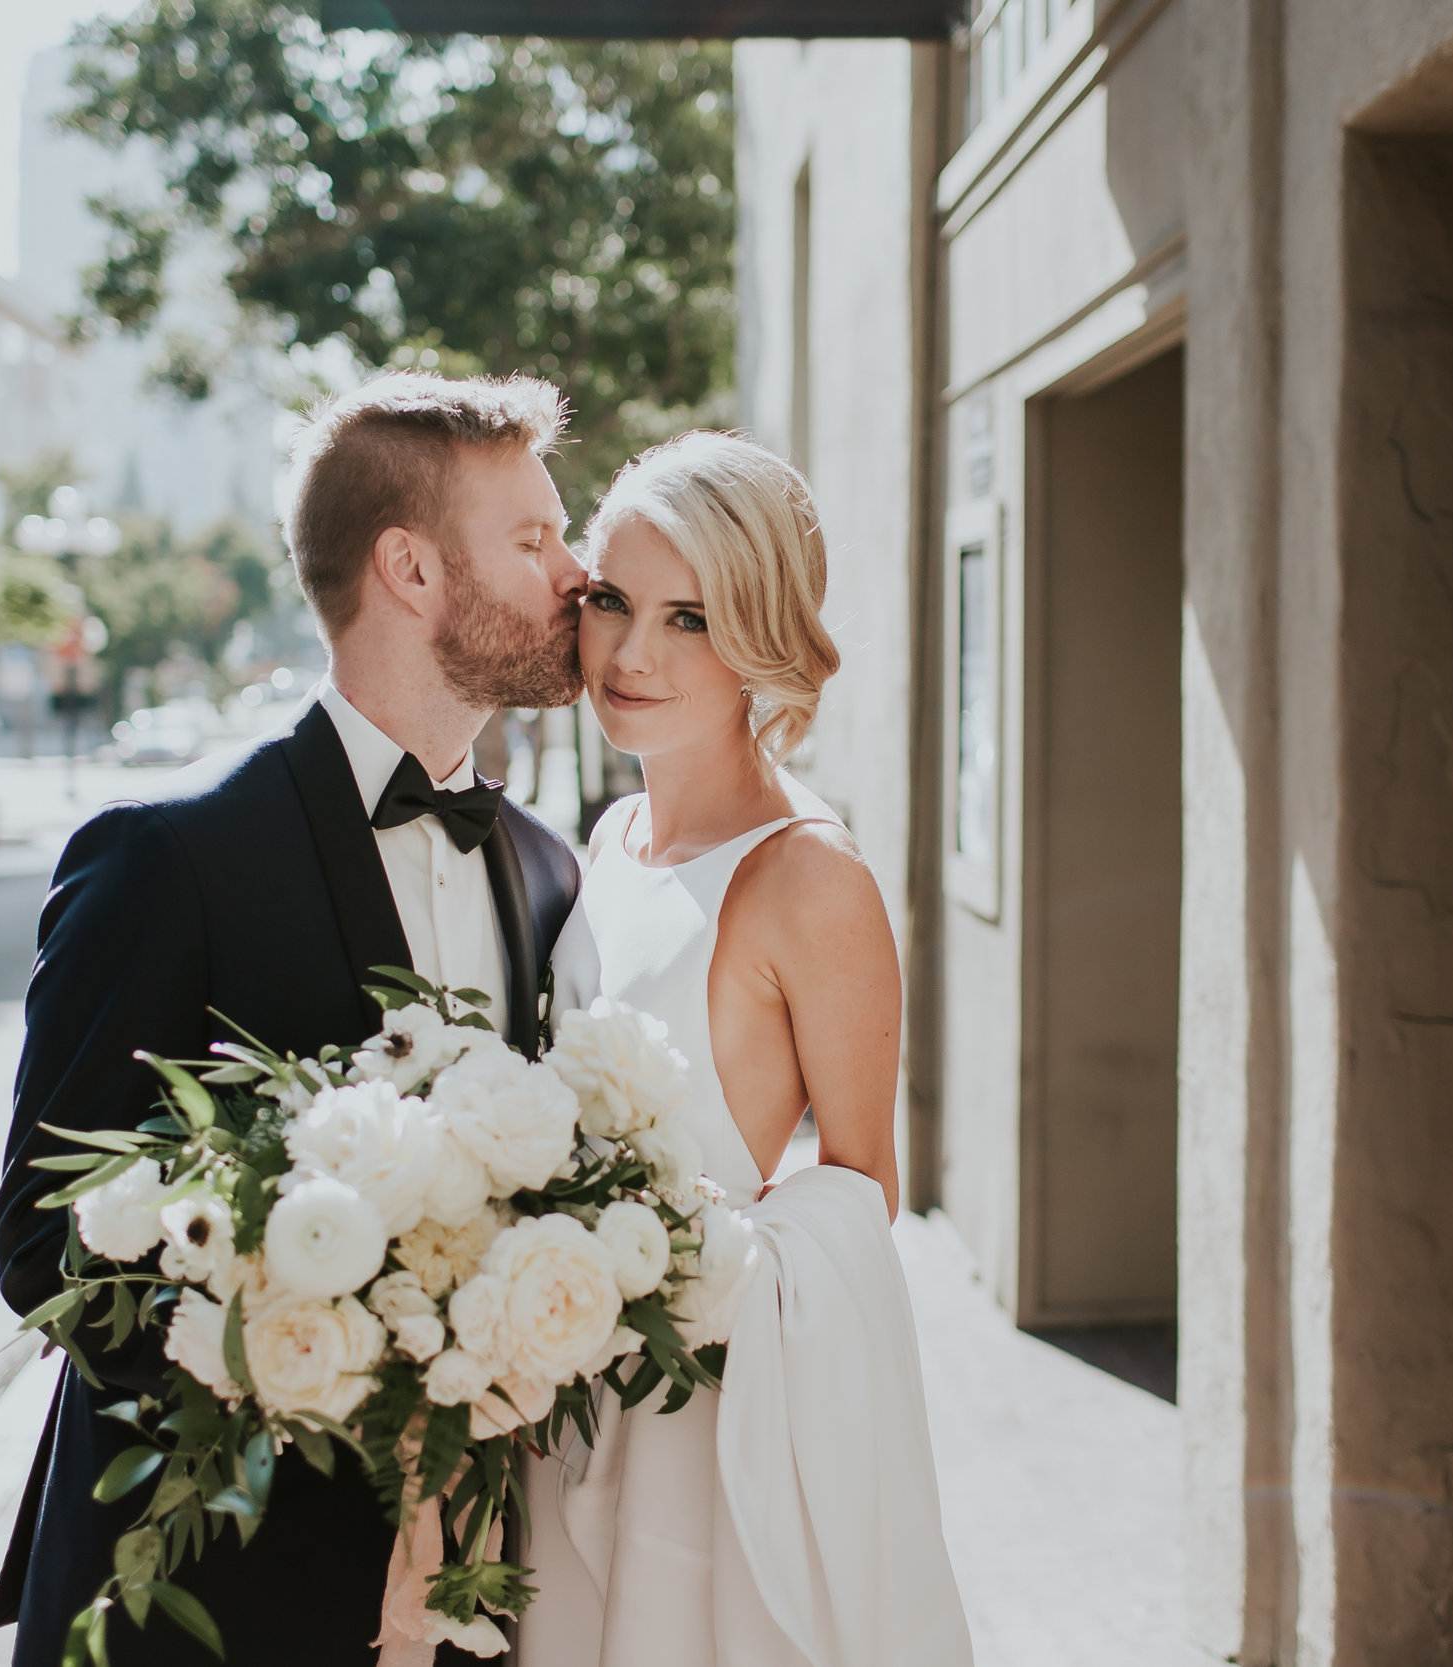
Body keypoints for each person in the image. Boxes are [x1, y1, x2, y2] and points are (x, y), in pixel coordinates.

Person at [0, 373, 588, 1667]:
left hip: (470, 1600)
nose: (576, 574)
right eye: (535, 539)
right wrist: (335, 1345)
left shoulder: (545, 868)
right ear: (412, 568)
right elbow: (49, 1247)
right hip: (208, 1606)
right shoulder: (169, 859)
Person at [519, 432, 972, 1666]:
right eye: (610, 599)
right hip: (555, 1380)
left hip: (702, 1416)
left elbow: (862, 1179)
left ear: (762, 635)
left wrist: (685, 1262)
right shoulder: (609, 837)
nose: (629, 653)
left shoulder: (809, 876)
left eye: (690, 618)